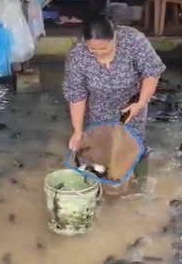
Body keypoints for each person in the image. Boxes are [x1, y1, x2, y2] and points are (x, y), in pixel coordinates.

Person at [63, 15, 166, 188]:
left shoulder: (133, 40)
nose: (99, 54)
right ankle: (106, 186)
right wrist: (78, 130)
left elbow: (151, 72)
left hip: (131, 106)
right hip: (99, 106)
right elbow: (76, 95)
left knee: (135, 145)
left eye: (104, 48)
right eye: (92, 50)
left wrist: (140, 103)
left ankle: (140, 186)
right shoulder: (77, 56)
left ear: (114, 37)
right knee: (100, 148)